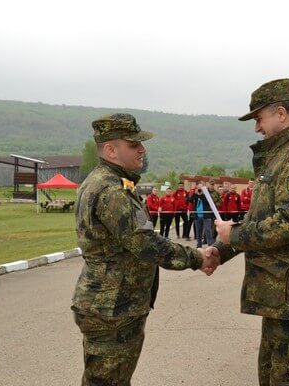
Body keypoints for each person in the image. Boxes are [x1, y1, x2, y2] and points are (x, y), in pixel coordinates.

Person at [71, 113, 219, 385]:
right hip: (113, 309)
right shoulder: (111, 191)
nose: (142, 149)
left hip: (113, 305)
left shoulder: (109, 183)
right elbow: (147, 244)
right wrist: (197, 257)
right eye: (133, 144)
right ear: (111, 150)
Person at [209, 78, 289, 385]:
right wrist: (221, 250)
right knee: (272, 375)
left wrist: (234, 235)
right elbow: (260, 216)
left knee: (288, 379)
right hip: (281, 294)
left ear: (280, 113)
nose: (257, 128)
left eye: (259, 118)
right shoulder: (281, 157)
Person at [188, 180, 215, 248]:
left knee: (208, 230)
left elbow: (208, 202)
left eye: (201, 188)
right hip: (197, 216)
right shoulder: (195, 194)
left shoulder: (206, 194)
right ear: (197, 187)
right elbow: (190, 200)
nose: (200, 189)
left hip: (206, 215)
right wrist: (195, 193)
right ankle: (199, 244)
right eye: (199, 188)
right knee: (198, 230)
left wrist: (202, 194)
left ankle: (210, 243)